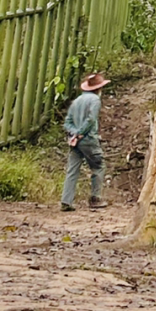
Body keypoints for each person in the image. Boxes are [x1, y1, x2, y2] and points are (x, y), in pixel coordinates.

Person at [61, 71, 110, 212]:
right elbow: (91, 119)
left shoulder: (76, 101)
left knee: (72, 169)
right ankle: (95, 198)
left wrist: (74, 133)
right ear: (98, 89)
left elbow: (67, 122)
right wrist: (81, 133)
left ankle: (66, 201)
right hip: (88, 139)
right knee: (98, 166)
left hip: (74, 140)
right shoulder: (95, 100)